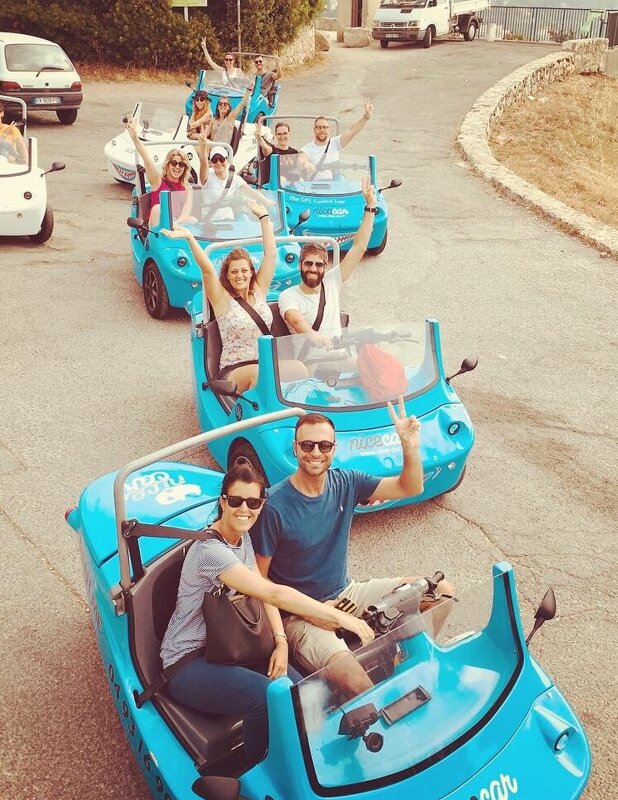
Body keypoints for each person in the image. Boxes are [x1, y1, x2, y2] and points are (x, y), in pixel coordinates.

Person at [159, 461, 374, 773]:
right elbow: (274, 595)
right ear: (223, 502)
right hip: (188, 661)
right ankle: (257, 773)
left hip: (227, 645)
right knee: (266, 697)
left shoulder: (241, 536)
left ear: (261, 503)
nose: (244, 509)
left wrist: (281, 642)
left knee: (307, 691)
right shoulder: (210, 551)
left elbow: (263, 590)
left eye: (253, 502)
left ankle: (315, 761)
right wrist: (340, 618)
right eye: (235, 501)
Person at [253, 406, 454, 699]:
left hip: (347, 593)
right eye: (307, 445)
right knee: (358, 684)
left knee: (441, 592)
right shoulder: (274, 506)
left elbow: (410, 487)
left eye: (324, 445)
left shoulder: (345, 482)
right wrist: (314, 615)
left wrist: (409, 446)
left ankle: (407, 669)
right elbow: (260, 583)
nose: (315, 452)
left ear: (334, 449)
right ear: (295, 448)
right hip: (300, 615)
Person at [160, 203, 278, 392]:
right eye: (234, 272)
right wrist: (190, 238)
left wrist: (264, 218)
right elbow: (207, 270)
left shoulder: (258, 290)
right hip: (236, 368)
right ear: (228, 276)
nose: (240, 275)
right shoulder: (222, 300)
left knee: (299, 369)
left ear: (251, 272)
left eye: (244, 271)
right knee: (258, 375)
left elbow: (271, 255)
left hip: (265, 363)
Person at [279, 183, 378, 343]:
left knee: (374, 361)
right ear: (300, 264)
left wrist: (371, 206)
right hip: (310, 361)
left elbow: (359, 247)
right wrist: (318, 339)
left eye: (318, 265)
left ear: (325, 267)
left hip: (337, 356)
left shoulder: (331, 282)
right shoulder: (288, 296)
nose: (313, 269)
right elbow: (296, 321)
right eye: (308, 263)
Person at [125, 116, 194, 227]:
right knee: (158, 208)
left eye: (181, 164)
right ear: (168, 164)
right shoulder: (158, 181)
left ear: (185, 167)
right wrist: (135, 138)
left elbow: (187, 210)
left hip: (176, 224)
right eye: (174, 163)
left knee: (193, 220)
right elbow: (147, 159)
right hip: (157, 226)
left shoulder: (187, 187)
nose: (177, 167)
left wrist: (177, 223)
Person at [300, 99, 374, 180]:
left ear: (328, 129)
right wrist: (306, 163)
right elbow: (301, 160)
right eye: (319, 127)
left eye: (324, 127)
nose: (322, 130)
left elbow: (351, 131)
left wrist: (366, 117)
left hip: (336, 185)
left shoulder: (334, 143)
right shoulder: (307, 148)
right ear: (314, 130)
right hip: (315, 187)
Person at [256, 120, 300, 186]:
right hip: (275, 186)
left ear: (289, 134)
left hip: (291, 186)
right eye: (279, 134)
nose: (282, 137)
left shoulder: (294, 152)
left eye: (285, 133)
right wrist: (259, 139)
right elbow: (266, 149)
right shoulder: (271, 149)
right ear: (276, 135)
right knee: (282, 179)